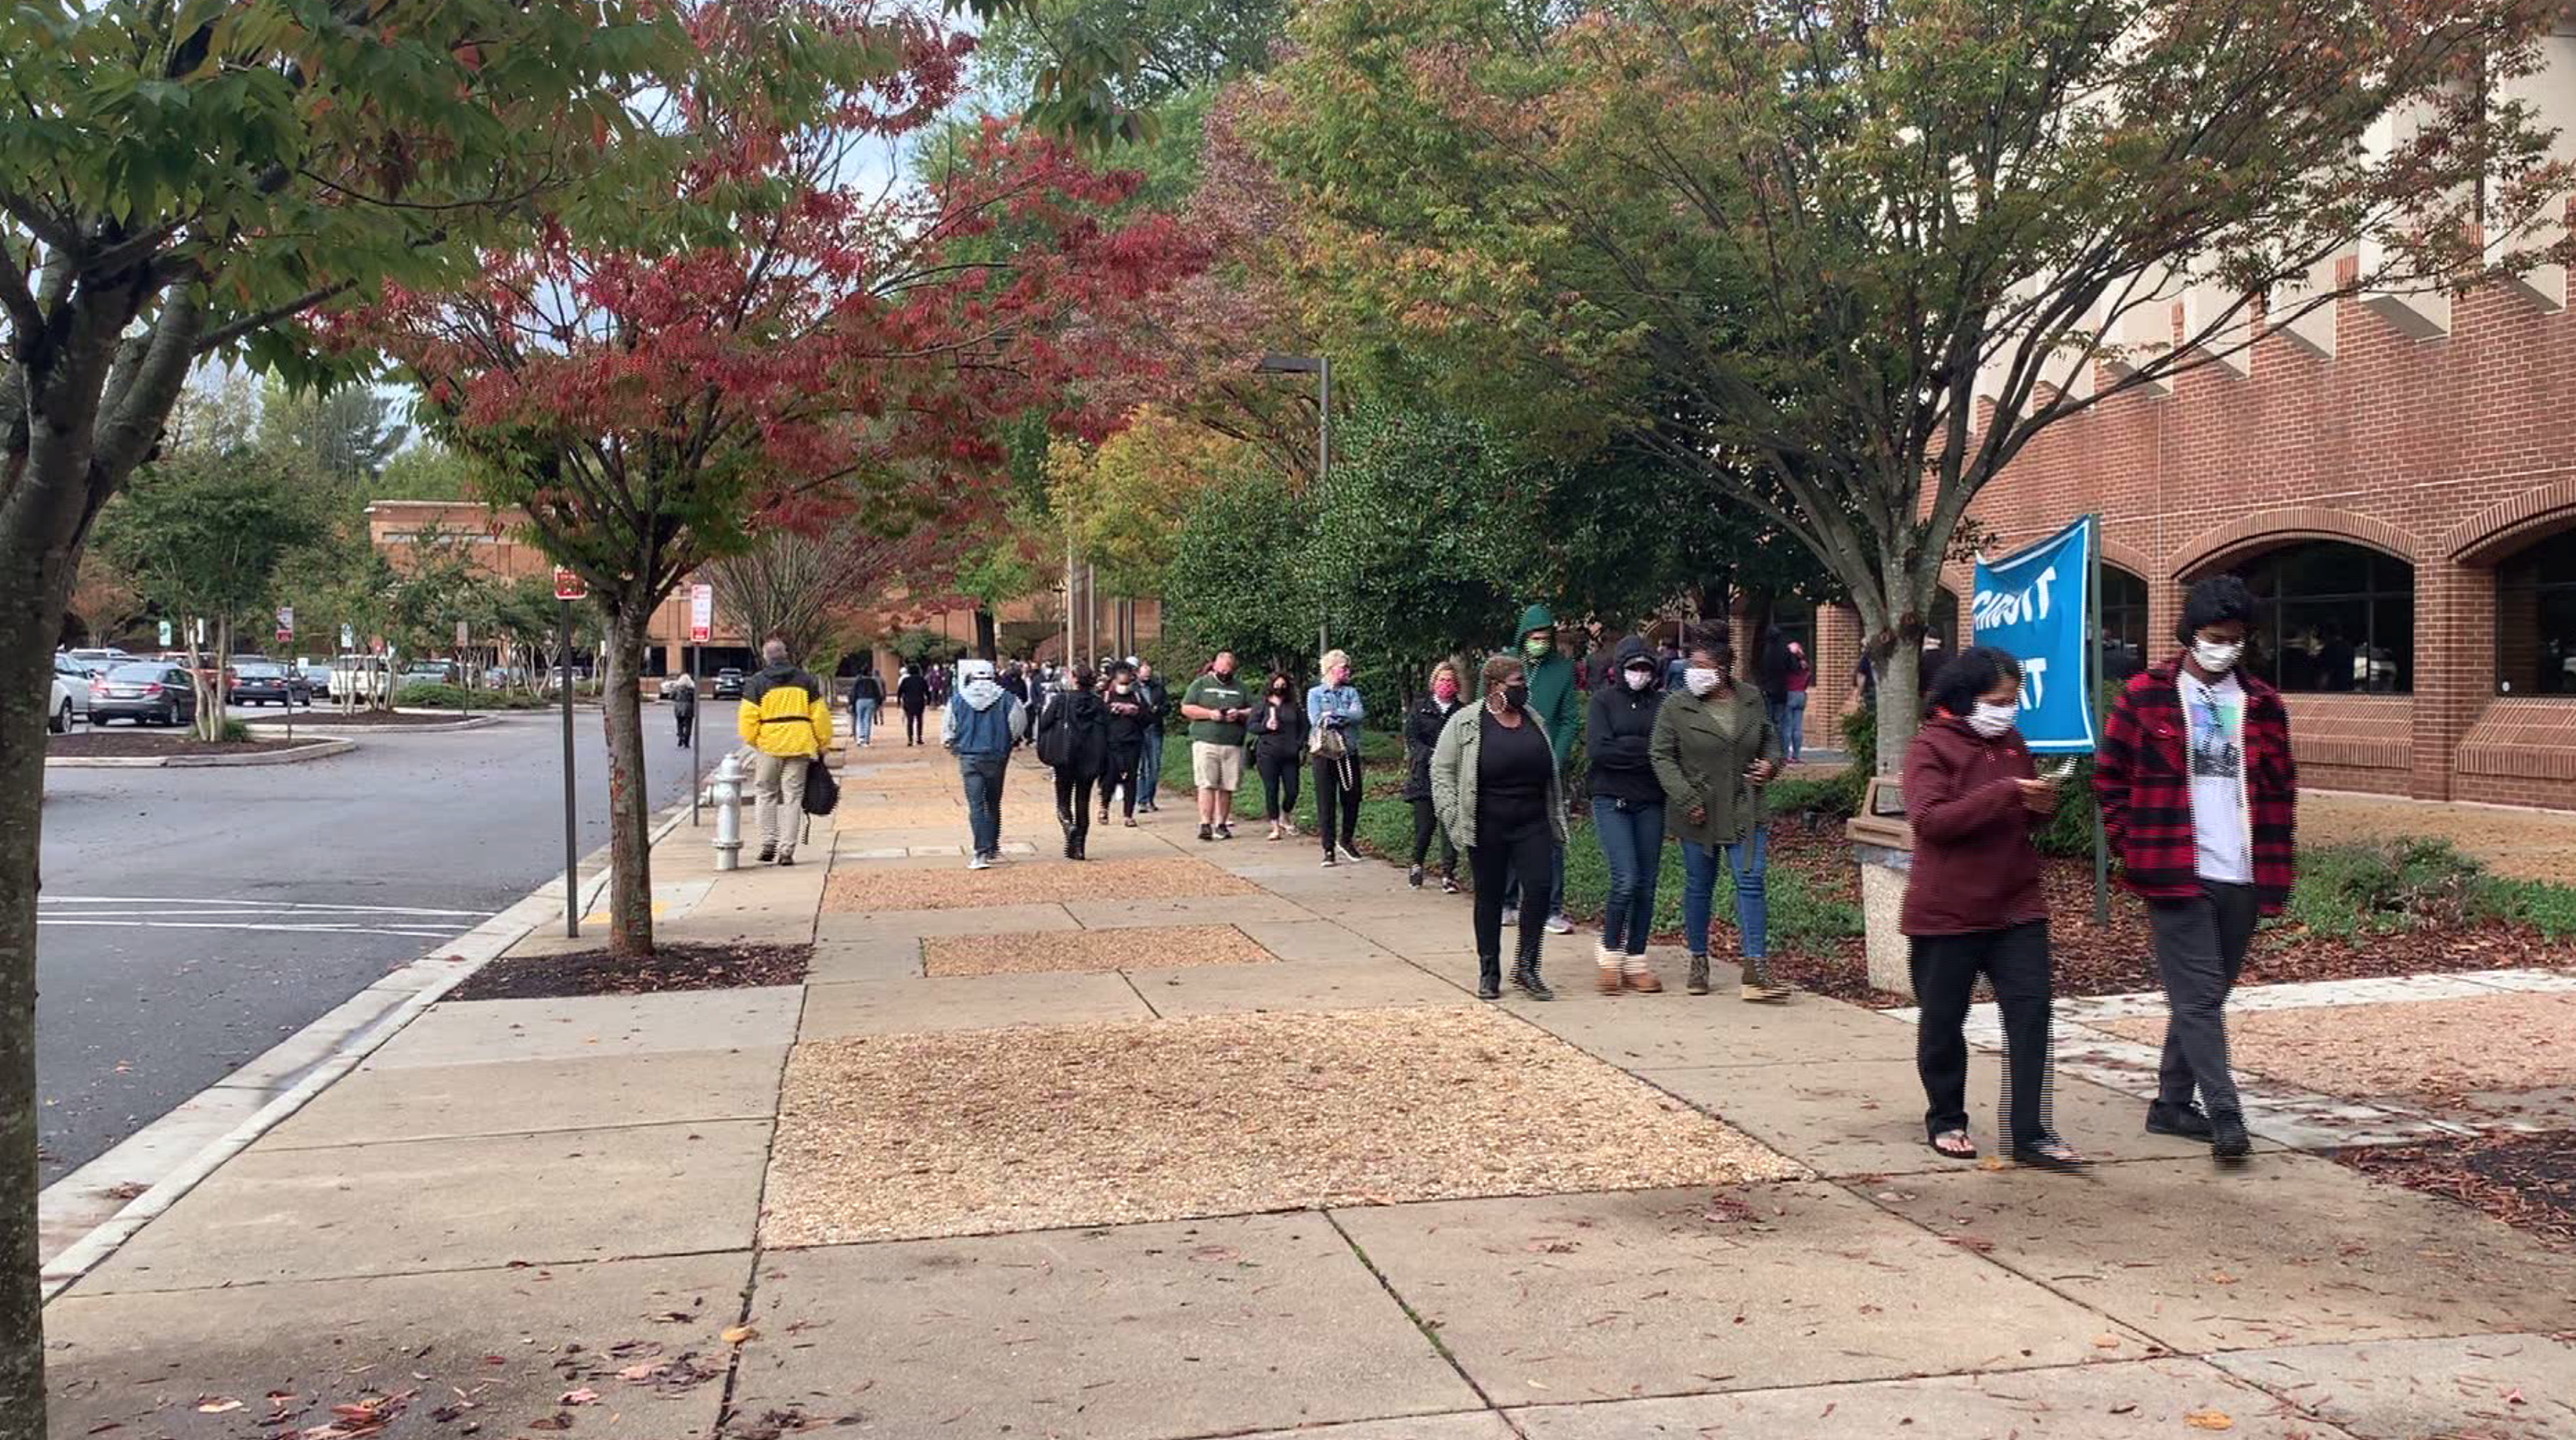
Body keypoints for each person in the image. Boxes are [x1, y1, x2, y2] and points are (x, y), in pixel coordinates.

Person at [2095, 574, 2296, 1164]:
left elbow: (2281, 790)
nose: (2225, 647)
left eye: (2236, 638)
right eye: (2215, 636)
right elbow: (2109, 780)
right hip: (2174, 862)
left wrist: (2276, 866)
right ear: (2190, 634)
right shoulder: (2144, 695)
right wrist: (2131, 844)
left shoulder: (2263, 703)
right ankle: (2225, 1112)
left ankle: (2171, 1104)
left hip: (2244, 866)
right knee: (2202, 995)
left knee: (2202, 997)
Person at [1904, 646, 2080, 1169]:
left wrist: (2041, 807)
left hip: (2017, 905)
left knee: (2031, 1015)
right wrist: (2006, 793)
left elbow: (2019, 816)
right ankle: (1947, 1118)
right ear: (1965, 699)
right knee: (1943, 1020)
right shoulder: (1930, 749)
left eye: (2014, 700)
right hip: (1947, 910)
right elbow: (1931, 821)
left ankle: (2030, 1129)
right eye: (1997, 700)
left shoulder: (2013, 745)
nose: (2008, 710)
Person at [1651, 638, 1786, 998]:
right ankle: (1698, 958)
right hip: (1698, 809)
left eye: (1703, 666)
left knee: (1751, 882)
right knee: (1700, 885)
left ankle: (1755, 967)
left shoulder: (1751, 698)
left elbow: (1770, 739)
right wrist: (1685, 797)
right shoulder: (1676, 706)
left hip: (1745, 806)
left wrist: (1770, 765)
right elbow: (1661, 755)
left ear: (1724, 669)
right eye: (1691, 664)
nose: (1694, 672)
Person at [1431, 654, 1565, 1002]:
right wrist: (1451, 815)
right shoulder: (1466, 723)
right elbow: (1441, 770)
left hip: (1532, 820)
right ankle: (1489, 970)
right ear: (1494, 687)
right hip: (1487, 822)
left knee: (1538, 889)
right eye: (1518, 683)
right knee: (1489, 897)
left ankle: (1527, 966)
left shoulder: (1533, 719)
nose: (1525, 689)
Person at [1588, 637, 1669, 994]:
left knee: (1647, 885)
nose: (1640, 674)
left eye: (1646, 668)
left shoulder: (1663, 705)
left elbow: (1666, 752)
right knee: (1626, 878)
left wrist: (1631, 749)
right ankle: (1610, 955)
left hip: (1650, 801)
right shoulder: (1603, 701)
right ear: (1620, 669)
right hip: (1611, 798)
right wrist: (1644, 754)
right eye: (1634, 668)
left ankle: (1636, 959)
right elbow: (1600, 751)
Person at [1504, 605, 1580, 934]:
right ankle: (1506, 902)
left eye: (1546, 638)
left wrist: (1556, 757)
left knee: (1551, 836)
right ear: (1524, 637)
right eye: (1534, 638)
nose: (1540, 643)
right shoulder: (1504, 663)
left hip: (1545, 762)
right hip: (1506, 760)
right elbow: (1483, 709)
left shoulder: (1562, 670)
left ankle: (1551, 908)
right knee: (1506, 834)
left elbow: (1569, 719)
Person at [735, 636, 833, 866]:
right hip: (800, 742)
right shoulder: (805, 680)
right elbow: (820, 716)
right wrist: (823, 743)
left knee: (766, 792)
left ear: (766, 657)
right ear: (786, 654)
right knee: (793, 797)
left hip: (770, 743)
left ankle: (768, 841)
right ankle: (787, 849)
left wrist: (755, 741)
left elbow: (747, 720)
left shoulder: (756, 683)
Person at [943, 657, 1028, 869]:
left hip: (969, 755)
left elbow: (948, 728)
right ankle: (992, 846)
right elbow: (1018, 724)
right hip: (997, 754)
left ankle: (980, 851)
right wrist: (1009, 740)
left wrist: (952, 745)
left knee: (976, 804)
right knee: (993, 801)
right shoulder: (1008, 699)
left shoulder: (957, 699)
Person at [1401, 661, 1464, 892]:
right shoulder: (1420, 708)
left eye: (1450, 680)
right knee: (1425, 827)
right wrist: (1430, 755)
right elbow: (1412, 739)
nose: (1445, 684)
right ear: (1434, 683)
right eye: (1441, 680)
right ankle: (1417, 863)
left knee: (1450, 827)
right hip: (1424, 776)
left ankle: (1449, 873)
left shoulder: (1462, 712)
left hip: (1452, 777)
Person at [1036, 664, 1110, 860]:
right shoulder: (1098, 703)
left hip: (1065, 754)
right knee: (1083, 801)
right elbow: (1108, 730)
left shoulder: (1062, 700)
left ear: (1074, 679)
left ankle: (1069, 826)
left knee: (1063, 799)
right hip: (1091, 756)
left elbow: (1044, 723)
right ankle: (1079, 848)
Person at [1180, 651, 1253, 842]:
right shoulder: (1201, 685)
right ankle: (1205, 823)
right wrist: (1210, 714)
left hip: (1232, 744)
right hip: (1206, 742)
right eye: (1221, 668)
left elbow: (1254, 709)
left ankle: (1222, 824)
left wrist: (1239, 713)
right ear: (1214, 666)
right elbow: (1187, 708)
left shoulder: (1241, 688)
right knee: (1206, 783)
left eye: (1228, 669)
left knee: (1227, 786)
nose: (1224, 672)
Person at [1308, 649, 1367, 866]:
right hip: (1325, 753)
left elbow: (1358, 714)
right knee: (1326, 800)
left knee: (1352, 796)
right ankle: (1328, 847)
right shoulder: (1315, 693)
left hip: (1348, 751)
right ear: (1331, 670)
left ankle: (1347, 839)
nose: (1347, 672)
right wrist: (1343, 715)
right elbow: (1316, 719)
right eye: (1343, 668)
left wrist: (1335, 714)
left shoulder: (1351, 692)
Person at [1250, 668, 1308, 841]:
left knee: (1292, 790)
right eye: (1277, 685)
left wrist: (1299, 744)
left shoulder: (1294, 706)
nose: (1280, 688)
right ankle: (1275, 825)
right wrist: (1266, 726)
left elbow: (1304, 727)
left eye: (1283, 685)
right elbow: (1251, 726)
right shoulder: (1262, 705)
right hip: (1268, 753)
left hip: (1290, 754)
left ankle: (1286, 814)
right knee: (1271, 789)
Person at [1100, 660, 1153, 827]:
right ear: (1114, 679)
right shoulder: (1106, 696)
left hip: (1132, 742)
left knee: (1131, 777)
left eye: (1127, 679)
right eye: (1121, 678)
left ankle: (1128, 814)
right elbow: (1099, 719)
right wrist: (1112, 711)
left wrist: (1135, 712)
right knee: (1109, 776)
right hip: (1111, 743)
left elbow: (1148, 718)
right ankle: (1104, 807)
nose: (1124, 683)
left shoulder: (1136, 696)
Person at [1133, 659, 1167, 812]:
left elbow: (1168, 707)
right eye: (1144, 675)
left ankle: (1150, 798)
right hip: (1138, 730)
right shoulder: (1132, 689)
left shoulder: (1158, 688)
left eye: (1149, 675)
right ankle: (1141, 800)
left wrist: (1159, 709)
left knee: (1154, 766)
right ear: (1137, 673)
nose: (1147, 678)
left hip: (1155, 729)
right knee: (1141, 767)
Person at [1781, 641, 1812, 763]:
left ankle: (1785, 755)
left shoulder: (1787, 667)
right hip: (1801, 695)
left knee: (1787, 727)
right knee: (1798, 728)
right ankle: (1797, 755)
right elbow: (1808, 678)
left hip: (1789, 694)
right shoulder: (1805, 666)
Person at [847, 666, 883, 748]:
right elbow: (877, 692)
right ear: (869, 673)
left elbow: (854, 693)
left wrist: (851, 703)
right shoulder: (873, 682)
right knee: (868, 720)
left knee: (860, 719)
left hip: (860, 701)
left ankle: (860, 738)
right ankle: (867, 740)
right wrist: (879, 703)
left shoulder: (858, 682)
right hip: (871, 701)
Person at [896, 663, 929, 746]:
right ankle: (919, 738)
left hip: (908, 702)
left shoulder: (905, 680)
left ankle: (910, 739)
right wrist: (929, 701)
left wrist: (899, 701)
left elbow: (900, 692)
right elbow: (927, 691)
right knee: (919, 720)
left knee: (910, 721)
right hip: (919, 702)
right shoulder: (922, 680)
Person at [669, 670, 697, 749]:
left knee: (679, 724)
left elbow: (671, 696)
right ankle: (687, 742)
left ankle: (681, 736)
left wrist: (676, 699)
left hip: (678, 707)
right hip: (689, 707)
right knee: (689, 725)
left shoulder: (676, 688)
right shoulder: (691, 689)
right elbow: (695, 699)